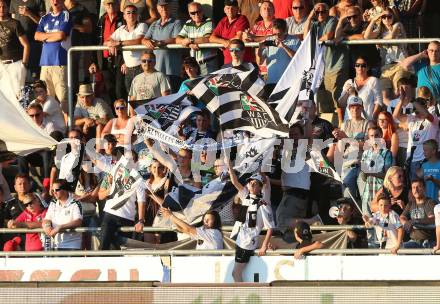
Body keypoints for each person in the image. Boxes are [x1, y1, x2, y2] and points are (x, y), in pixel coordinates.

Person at [227, 165, 274, 282]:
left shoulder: (263, 203)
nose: (252, 185)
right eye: (250, 182)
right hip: (240, 238)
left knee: (235, 273)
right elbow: (234, 181)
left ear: (260, 187)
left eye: (255, 183)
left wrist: (264, 245)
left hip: (248, 242)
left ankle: (241, 297)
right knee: (236, 273)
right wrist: (229, 165)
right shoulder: (245, 196)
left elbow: (270, 227)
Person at [304, 2, 349, 123]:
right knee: (325, 99)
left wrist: (315, 40)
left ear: (328, 11)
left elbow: (329, 35)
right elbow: (305, 37)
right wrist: (309, 17)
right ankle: (328, 126)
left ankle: (341, 125)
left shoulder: (332, 20)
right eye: (317, 12)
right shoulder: (315, 23)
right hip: (323, 66)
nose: (320, 14)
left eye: (322, 11)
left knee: (337, 97)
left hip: (335, 64)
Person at [98, 151, 146, 250]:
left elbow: (142, 201)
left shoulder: (139, 179)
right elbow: (100, 195)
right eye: (126, 159)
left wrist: (141, 220)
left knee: (122, 250)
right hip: (110, 214)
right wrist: (110, 189)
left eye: (131, 160)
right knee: (104, 247)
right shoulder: (113, 171)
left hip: (127, 217)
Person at [34, 0, 72, 114]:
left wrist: (45, 37)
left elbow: (61, 35)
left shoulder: (65, 15)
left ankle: (67, 129)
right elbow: (36, 36)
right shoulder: (44, 18)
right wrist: (53, 36)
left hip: (59, 62)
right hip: (45, 63)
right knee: (44, 99)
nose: (55, 1)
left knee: (63, 100)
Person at [332, 95, 369, 200]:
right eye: (352, 107)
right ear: (349, 108)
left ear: (362, 108)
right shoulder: (345, 124)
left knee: (365, 198)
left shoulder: (368, 124)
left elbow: (367, 146)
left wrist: (347, 138)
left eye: (358, 107)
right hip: (347, 165)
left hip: (363, 165)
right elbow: (340, 148)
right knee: (348, 199)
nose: (355, 109)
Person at [104, 5, 148, 94]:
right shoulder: (121, 29)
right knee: (130, 96)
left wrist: (119, 43)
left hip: (142, 67)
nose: (131, 14)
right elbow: (106, 41)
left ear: (137, 15)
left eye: (133, 12)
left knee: (142, 95)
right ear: (124, 16)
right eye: (128, 13)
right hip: (128, 69)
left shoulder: (142, 25)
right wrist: (111, 44)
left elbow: (139, 40)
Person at [141, 0, 183, 93]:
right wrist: (146, 41)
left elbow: (177, 38)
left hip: (172, 70)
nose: (164, 9)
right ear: (158, 9)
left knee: (173, 100)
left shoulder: (177, 22)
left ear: (170, 8)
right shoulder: (154, 24)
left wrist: (161, 42)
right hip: (156, 71)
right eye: (161, 6)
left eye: (166, 6)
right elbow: (144, 39)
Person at [364, 8, 409, 92]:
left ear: (393, 17)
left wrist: (379, 41)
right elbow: (366, 37)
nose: (386, 19)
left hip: (401, 63)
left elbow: (391, 37)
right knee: (384, 93)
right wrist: (373, 20)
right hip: (386, 65)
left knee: (398, 90)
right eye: (384, 17)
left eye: (389, 16)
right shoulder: (380, 29)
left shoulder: (398, 24)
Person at [393, 97, 439, 180]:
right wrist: (401, 100)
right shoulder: (412, 119)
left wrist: (413, 100)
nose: (416, 113)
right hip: (412, 161)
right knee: (414, 189)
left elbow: (426, 114)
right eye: (414, 110)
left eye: (418, 110)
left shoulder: (434, 120)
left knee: (427, 189)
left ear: (425, 108)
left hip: (427, 161)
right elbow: (396, 115)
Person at [257, 18, 300, 94]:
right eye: (274, 34)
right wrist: (260, 49)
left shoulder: (295, 40)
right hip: (271, 82)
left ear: (285, 31)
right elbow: (260, 62)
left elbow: (298, 59)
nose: (276, 36)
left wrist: (284, 46)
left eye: (279, 34)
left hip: (287, 83)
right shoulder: (269, 40)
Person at [175, 1, 216, 76]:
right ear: (189, 14)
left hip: (208, 63)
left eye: (198, 12)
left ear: (202, 11)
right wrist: (190, 44)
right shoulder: (188, 23)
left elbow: (207, 39)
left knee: (209, 87)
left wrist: (190, 40)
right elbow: (177, 39)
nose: (196, 15)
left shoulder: (209, 21)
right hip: (194, 65)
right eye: (193, 13)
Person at [337, 56, 383, 123]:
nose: (360, 68)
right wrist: (346, 93)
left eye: (363, 65)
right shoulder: (348, 82)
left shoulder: (373, 81)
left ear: (368, 68)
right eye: (357, 65)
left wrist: (373, 119)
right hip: (350, 123)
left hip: (367, 123)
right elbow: (340, 104)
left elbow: (379, 103)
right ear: (355, 67)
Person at [359, 126, 393, 215]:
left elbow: (387, 175)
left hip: (381, 193)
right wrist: (363, 172)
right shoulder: (366, 153)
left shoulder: (387, 153)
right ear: (369, 138)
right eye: (371, 136)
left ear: (381, 135)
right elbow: (364, 177)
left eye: (377, 135)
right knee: (368, 224)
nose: (374, 138)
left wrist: (370, 172)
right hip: (367, 192)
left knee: (380, 222)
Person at [95, 0, 125, 101]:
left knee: (120, 91)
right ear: (104, 5)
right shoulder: (102, 19)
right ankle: (116, 115)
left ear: (118, 4)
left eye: (113, 3)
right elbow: (97, 41)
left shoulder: (124, 17)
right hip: (104, 60)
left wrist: (125, 61)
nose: (111, 6)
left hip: (120, 59)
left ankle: (125, 115)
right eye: (108, 3)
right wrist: (94, 62)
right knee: (110, 91)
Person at [0, 0, 30, 98]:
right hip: (1, 65)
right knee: (4, 98)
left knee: (18, 97)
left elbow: (26, 45)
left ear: (8, 8)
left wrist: (23, 65)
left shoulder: (15, 23)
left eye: (4, 7)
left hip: (15, 64)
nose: (2, 9)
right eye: (0, 7)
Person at [42, 179, 83, 250]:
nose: (54, 192)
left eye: (57, 190)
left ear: (65, 189)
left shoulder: (76, 203)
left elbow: (78, 221)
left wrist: (60, 227)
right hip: (55, 244)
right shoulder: (53, 202)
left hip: (71, 245)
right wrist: (47, 225)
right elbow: (47, 219)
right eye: (53, 190)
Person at [209, 0, 252, 66]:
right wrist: (223, 42)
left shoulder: (242, 18)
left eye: (233, 8)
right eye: (228, 8)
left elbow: (239, 37)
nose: (230, 10)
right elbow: (211, 38)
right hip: (228, 63)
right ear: (224, 10)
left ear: (237, 9)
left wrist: (226, 43)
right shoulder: (223, 21)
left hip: (243, 63)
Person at [10, 0, 45, 78]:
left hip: (34, 42)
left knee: (35, 75)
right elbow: (12, 22)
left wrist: (29, 13)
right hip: (19, 43)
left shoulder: (38, 1)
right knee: (19, 74)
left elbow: (44, 22)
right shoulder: (14, 1)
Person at [400, 178, 436, 248]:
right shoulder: (410, 204)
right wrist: (406, 222)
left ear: (424, 189)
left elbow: (433, 219)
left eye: (418, 187)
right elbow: (402, 217)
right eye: (413, 187)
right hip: (413, 240)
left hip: (428, 242)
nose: (416, 190)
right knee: (400, 250)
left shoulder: (430, 202)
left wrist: (415, 221)